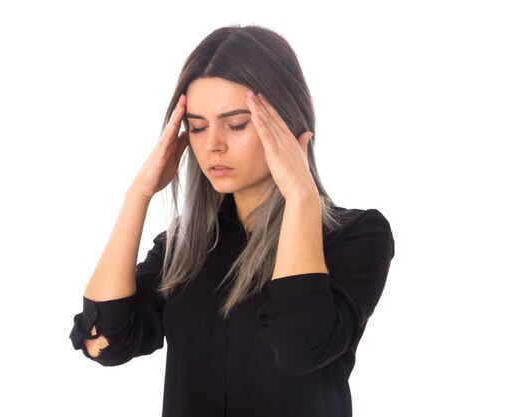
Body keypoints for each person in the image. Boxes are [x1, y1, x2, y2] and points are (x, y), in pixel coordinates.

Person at [69, 24, 395, 417]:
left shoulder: (357, 238)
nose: (213, 145)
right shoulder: (184, 248)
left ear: (288, 122)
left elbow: (300, 347)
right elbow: (104, 340)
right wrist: (138, 195)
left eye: (237, 123)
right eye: (198, 126)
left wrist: (302, 196)